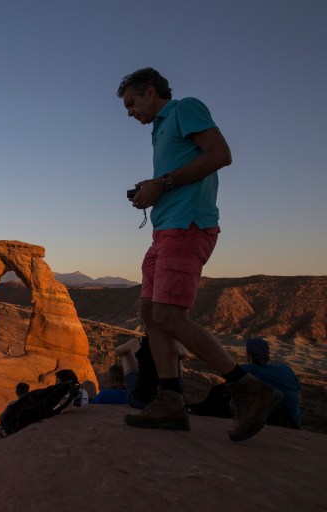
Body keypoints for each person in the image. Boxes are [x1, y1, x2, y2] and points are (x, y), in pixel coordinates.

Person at [117, 67, 282, 441]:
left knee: (169, 315)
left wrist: (164, 182)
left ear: (150, 91)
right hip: (164, 230)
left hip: (188, 227)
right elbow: (176, 173)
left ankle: (248, 388)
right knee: (149, 313)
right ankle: (171, 401)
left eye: (131, 103)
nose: (129, 112)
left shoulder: (183, 108)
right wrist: (152, 186)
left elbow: (221, 154)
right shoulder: (160, 129)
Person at [241, 338, 302, 429]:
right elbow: (298, 395)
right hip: (295, 420)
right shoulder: (286, 368)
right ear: (267, 354)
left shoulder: (247, 369)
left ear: (249, 354)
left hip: (280, 422)